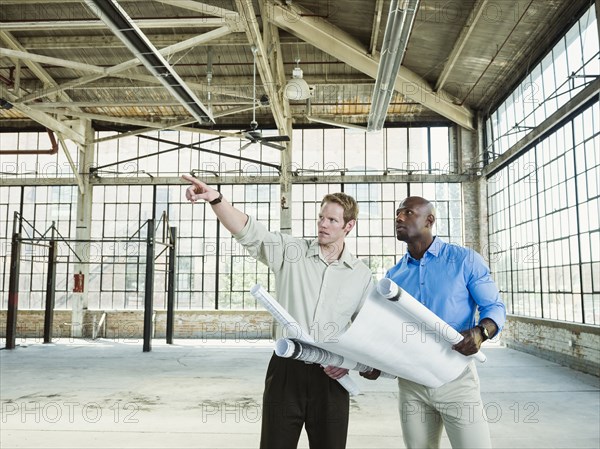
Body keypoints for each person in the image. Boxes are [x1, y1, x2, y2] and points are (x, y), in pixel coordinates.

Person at [182, 174, 374, 449]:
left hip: (332, 377)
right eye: (321, 217)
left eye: (332, 220)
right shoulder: (290, 251)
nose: (322, 224)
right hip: (287, 372)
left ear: (349, 225)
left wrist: (349, 362)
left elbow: (367, 330)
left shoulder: (361, 275)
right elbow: (249, 231)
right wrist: (215, 198)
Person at [361, 196, 506, 449]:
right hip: (411, 384)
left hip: (457, 379)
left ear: (429, 220)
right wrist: (375, 364)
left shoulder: (464, 260)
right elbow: (388, 332)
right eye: (397, 213)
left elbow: (494, 307)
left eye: (408, 213)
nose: (398, 218)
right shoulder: (393, 277)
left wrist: (481, 332)